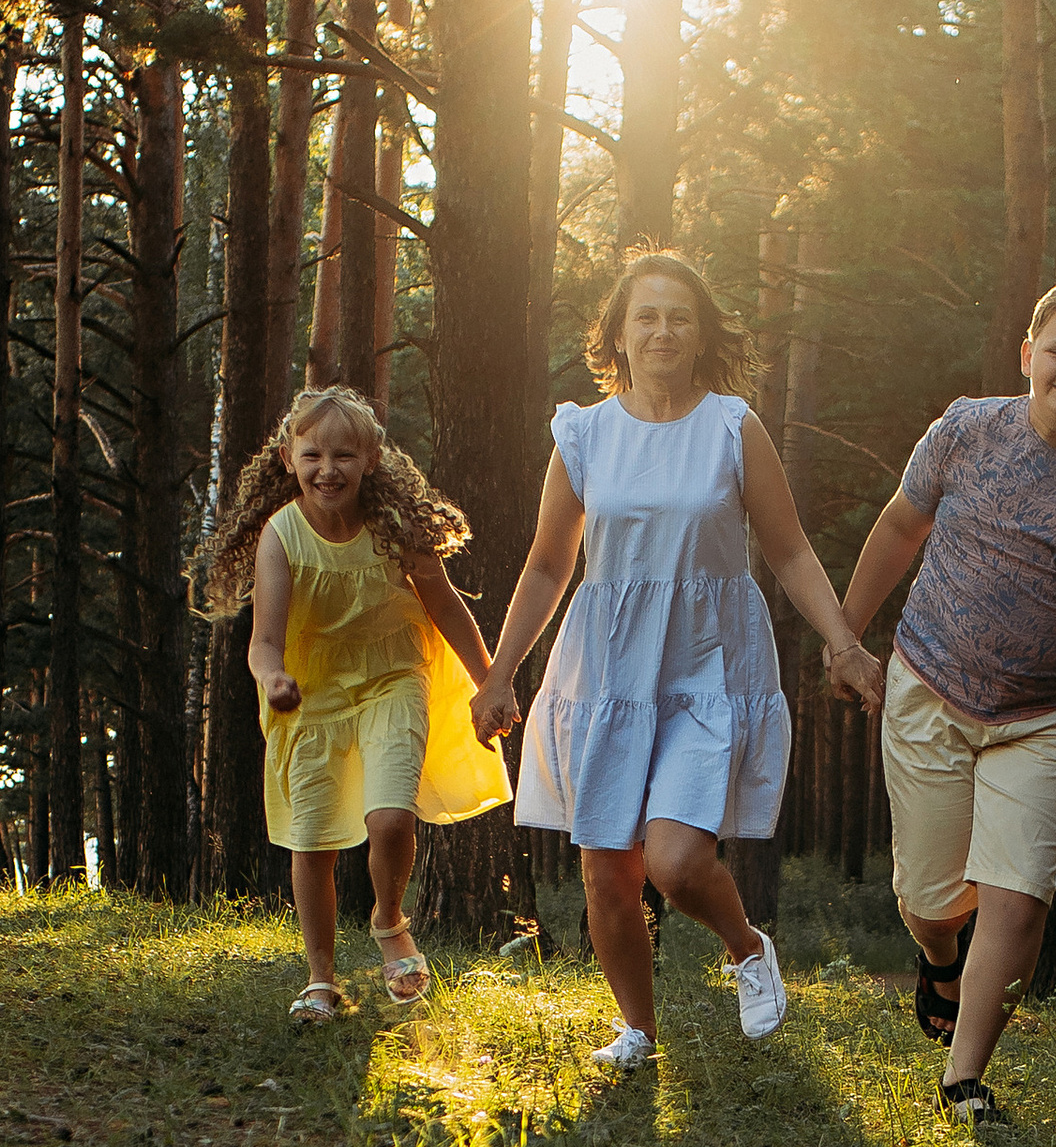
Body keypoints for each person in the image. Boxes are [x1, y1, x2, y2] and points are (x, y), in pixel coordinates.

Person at [470, 250, 885, 1071]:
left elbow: (791, 549)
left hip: (705, 666)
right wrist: (500, 669)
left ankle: (746, 947)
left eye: (679, 317)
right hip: (609, 669)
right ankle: (639, 1031)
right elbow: (549, 564)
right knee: (607, 875)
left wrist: (844, 640)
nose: (662, 330)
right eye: (646, 316)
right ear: (618, 335)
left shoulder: (733, 427)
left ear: (702, 335)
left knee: (676, 860)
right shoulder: (584, 435)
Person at [839, 277, 1056, 1123]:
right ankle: (941, 957)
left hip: (1048, 716)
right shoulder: (965, 431)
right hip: (931, 684)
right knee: (928, 899)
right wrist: (845, 636)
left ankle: (963, 1083)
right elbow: (898, 529)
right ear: (1028, 356)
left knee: (1020, 895)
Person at [192, 383, 507, 1021]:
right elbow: (264, 643)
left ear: (369, 460)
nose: (327, 470)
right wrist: (272, 678)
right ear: (288, 458)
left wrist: (490, 681)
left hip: (395, 677)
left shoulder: (396, 528)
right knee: (313, 843)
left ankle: (389, 920)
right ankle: (320, 980)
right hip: (311, 694)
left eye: (343, 456)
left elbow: (445, 605)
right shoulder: (281, 536)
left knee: (390, 819)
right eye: (312, 456)